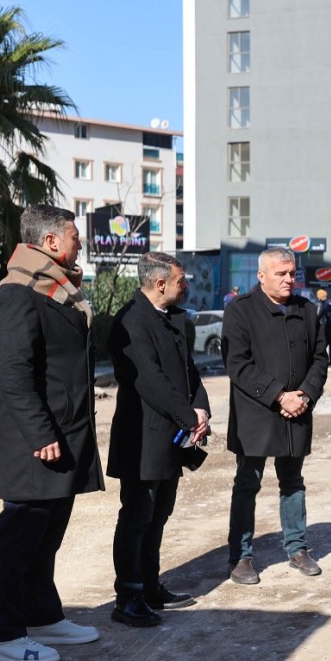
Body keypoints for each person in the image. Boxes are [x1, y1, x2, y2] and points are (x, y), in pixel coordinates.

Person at [0, 206, 104, 661]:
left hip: (63, 430)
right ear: (50, 242)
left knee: (47, 533)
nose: (79, 243)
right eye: (73, 235)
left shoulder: (55, 291)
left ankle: (41, 614)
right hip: (35, 436)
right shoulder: (18, 293)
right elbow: (12, 374)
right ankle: (0, 635)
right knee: (20, 533)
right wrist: (38, 432)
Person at [106, 252, 210, 627]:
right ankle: (128, 595)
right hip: (142, 438)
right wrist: (188, 415)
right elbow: (149, 380)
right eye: (182, 280)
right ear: (160, 283)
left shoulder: (171, 320)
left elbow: (189, 371)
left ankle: (150, 585)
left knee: (158, 515)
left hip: (171, 436)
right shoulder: (131, 320)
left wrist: (201, 409)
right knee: (137, 516)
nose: (187, 286)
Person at [222, 248, 331, 584]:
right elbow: (237, 364)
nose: (289, 280)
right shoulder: (240, 311)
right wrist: (278, 395)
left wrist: (306, 395)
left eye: (292, 273)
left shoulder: (307, 310)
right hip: (256, 412)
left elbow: (319, 358)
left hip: (297, 410)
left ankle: (297, 548)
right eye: (281, 274)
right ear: (261, 276)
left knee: (293, 482)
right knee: (247, 483)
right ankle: (240, 556)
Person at [316, 288, 331, 365]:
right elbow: (318, 316)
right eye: (324, 296)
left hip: (329, 328)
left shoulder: (325, 304)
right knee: (324, 345)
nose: (326, 297)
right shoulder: (323, 304)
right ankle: (323, 360)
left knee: (330, 346)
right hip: (326, 328)